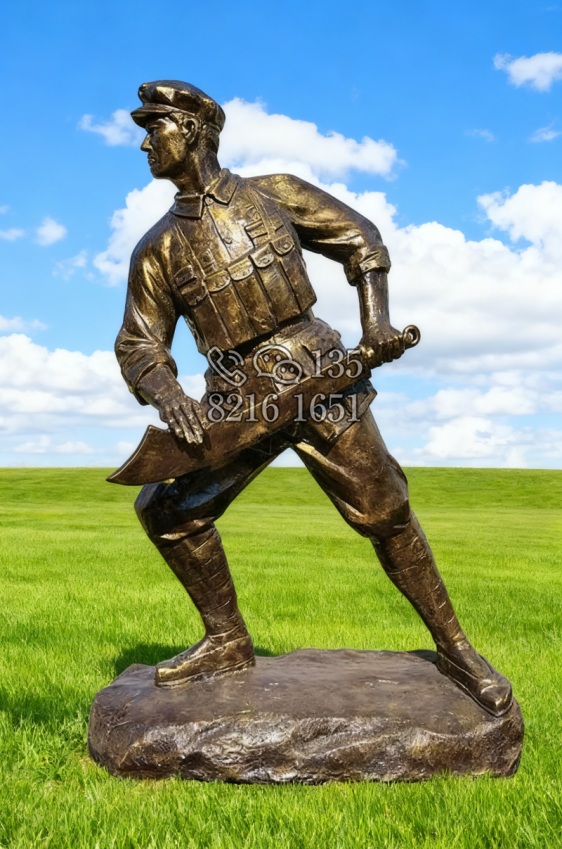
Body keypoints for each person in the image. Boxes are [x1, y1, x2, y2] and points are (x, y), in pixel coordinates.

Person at [115, 80, 511, 716]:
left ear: (189, 129)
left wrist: (376, 323)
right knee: (166, 510)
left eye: (153, 128)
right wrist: (169, 396)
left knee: (387, 512)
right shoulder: (156, 249)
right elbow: (139, 344)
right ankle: (226, 640)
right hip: (239, 403)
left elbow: (361, 239)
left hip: (321, 375)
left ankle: (457, 649)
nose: (143, 144)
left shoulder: (274, 193)